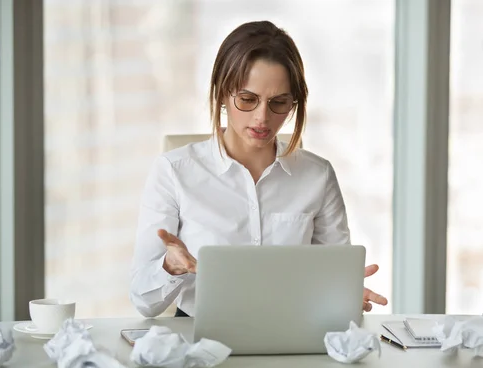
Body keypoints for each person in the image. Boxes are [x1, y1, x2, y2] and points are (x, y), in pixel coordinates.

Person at [130, 20, 388, 318]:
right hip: (198, 337)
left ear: (294, 103)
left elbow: (334, 276)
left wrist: (344, 294)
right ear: (222, 94)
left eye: (278, 102)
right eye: (247, 99)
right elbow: (143, 302)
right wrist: (169, 267)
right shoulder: (174, 171)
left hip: (293, 330)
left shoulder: (318, 175)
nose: (262, 118)